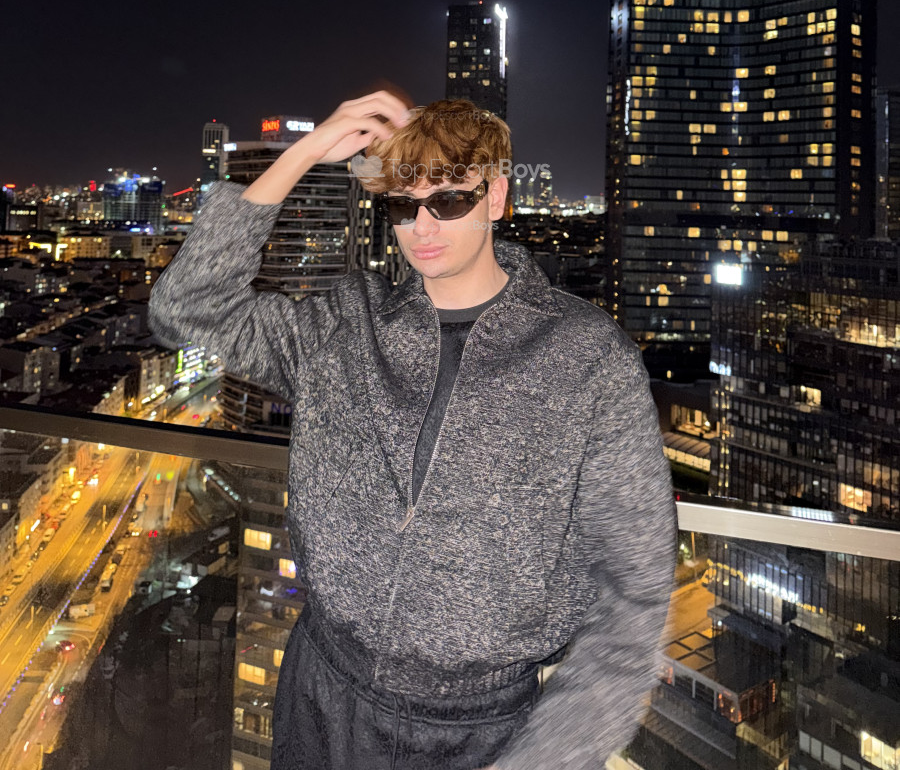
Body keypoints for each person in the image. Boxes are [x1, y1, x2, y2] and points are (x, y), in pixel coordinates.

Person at [149, 91, 677, 770]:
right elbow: (184, 309)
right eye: (404, 204)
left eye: (449, 200)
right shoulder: (343, 327)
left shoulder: (588, 359)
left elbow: (634, 596)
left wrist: (544, 759)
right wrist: (306, 151)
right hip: (320, 695)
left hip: (485, 731)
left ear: (495, 197)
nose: (422, 225)